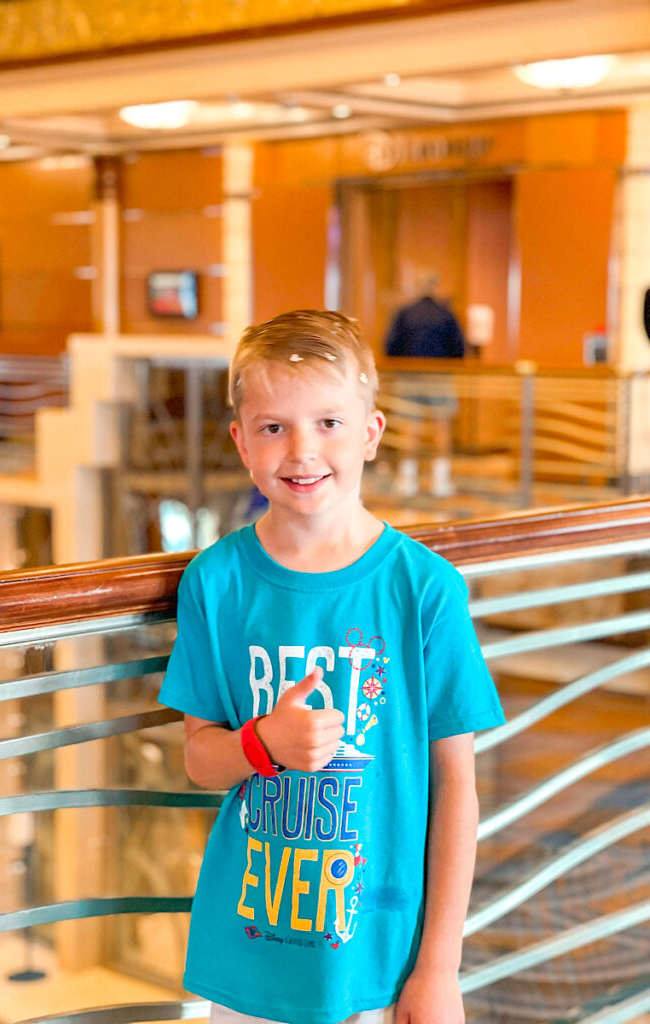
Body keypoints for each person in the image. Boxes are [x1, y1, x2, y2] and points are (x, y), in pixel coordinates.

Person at [159, 310, 504, 1024]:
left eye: (328, 423)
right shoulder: (215, 583)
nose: (301, 451)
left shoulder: (423, 590)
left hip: (381, 956)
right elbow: (200, 758)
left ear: (371, 433)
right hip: (253, 948)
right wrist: (265, 744)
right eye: (274, 427)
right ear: (241, 443)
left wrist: (440, 968)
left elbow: (456, 789)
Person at [383, 274, 464, 498]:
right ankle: (441, 479)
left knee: (409, 428)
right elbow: (458, 348)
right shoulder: (446, 313)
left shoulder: (405, 312)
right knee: (442, 427)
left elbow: (390, 346)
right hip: (439, 376)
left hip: (409, 376)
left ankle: (407, 478)